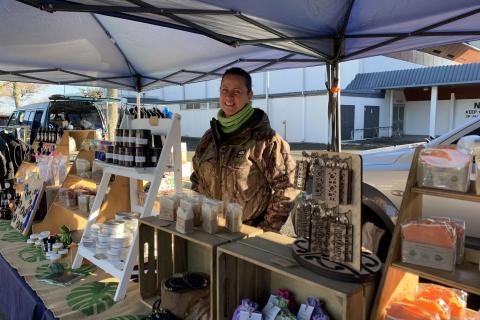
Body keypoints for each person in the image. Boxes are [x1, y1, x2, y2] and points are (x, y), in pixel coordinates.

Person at [191, 67, 299, 231]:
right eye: (225, 90)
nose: (229, 97)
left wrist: (265, 230)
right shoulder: (209, 137)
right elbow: (196, 180)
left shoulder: (265, 139)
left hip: (246, 233)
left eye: (236, 92)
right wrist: (198, 214)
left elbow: (287, 188)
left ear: (249, 95)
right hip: (209, 227)